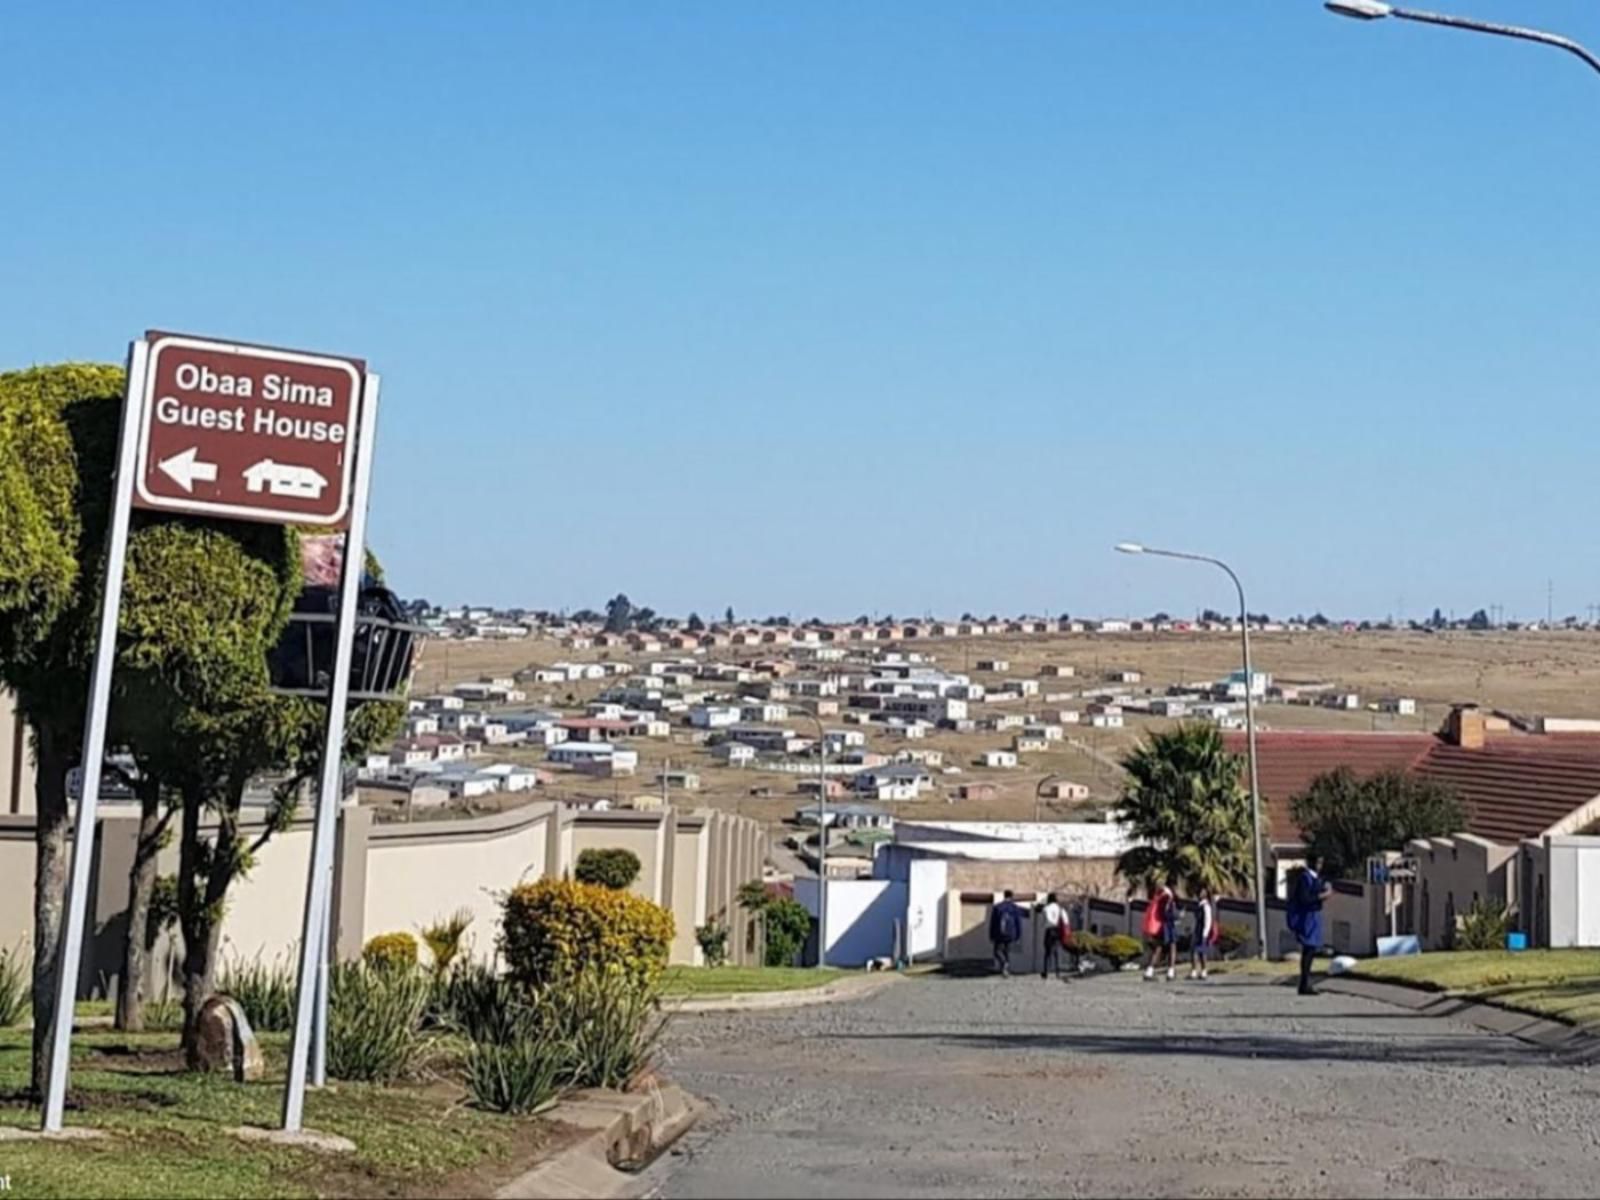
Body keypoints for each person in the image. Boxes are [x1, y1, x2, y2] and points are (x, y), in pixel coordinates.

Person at [1286, 854, 1333, 995]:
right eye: (1317, 862)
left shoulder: (1315, 878)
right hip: (1306, 917)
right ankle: (1304, 984)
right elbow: (1305, 899)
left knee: (1311, 951)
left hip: (1313, 916)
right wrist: (1323, 895)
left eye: (1321, 862)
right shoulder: (1305, 878)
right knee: (1308, 949)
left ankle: (1305, 983)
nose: (1320, 865)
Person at [1142, 876, 1179, 981]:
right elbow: (1166, 913)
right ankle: (1171, 972)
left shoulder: (1159, 894)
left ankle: (1149, 971)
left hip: (1158, 925)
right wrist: (1177, 916)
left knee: (1158, 948)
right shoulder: (1167, 896)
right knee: (1172, 947)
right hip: (1166, 926)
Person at [989, 889, 1026, 976]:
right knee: (1006, 951)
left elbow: (993, 922)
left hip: (999, 933)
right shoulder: (1015, 908)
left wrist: (991, 935)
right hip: (1011, 933)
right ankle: (1006, 969)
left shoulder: (997, 907)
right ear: (1012, 897)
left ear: (1004, 896)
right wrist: (1018, 934)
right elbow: (1018, 922)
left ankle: (1004, 964)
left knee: (997, 952)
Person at [1036, 892, 1069, 979]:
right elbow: (1065, 921)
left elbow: (1043, 921)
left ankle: (1046, 971)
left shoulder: (1046, 908)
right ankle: (1058, 971)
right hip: (1058, 930)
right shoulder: (1060, 908)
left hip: (1049, 930)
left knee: (1047, 952)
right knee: (1056, 951)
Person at [1189, 884, 1219, 980]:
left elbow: (1208, 920)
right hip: (1197, 930)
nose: (1201, 893)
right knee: (1193, 951)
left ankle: (1204, 970)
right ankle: (1194, 970)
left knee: (1202, 952)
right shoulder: (1199, 904)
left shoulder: (1206, 906)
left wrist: (1205, 934)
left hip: (1202, 931)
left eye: (1203, 892)